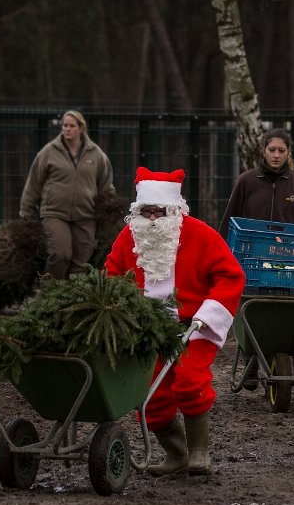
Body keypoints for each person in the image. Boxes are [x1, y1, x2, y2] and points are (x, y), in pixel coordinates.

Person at [105, 167, 245, 476]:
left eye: (160, 211)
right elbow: (112, 275)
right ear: (137, 212)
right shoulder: (128, 237)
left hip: (193, 326)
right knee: (149, 393)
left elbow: (231, 276)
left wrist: (207, 314)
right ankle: (176, 453)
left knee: (190, 379)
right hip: (147, 328)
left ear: (175, 209)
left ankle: (199, 452)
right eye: (146, 211)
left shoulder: (201, 235)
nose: (153, 219)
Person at [218, 128, 294, 389]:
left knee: (282, 311)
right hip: (251, 260)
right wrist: (220, 253)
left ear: (288, 153)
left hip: (286, 261)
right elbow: (230, 219)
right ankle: (250, 357)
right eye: (271, 150)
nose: (276, 155)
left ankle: (278, 356)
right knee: (253, 308)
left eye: (281, 151)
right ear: (263, 151)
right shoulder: (247, 181)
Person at [20, 110, 115, 279]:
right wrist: (26, 212)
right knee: (60, 254)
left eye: (71, 126)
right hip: (55, 213)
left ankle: (73, 298)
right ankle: (50, 292)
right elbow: (34, 182)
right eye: (65, 125)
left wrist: (110, 211)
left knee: (82, 262)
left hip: (86, 215)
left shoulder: (96, 154)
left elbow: (106, 186)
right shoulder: (49, 152)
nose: (67, 129)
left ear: (81, 128)